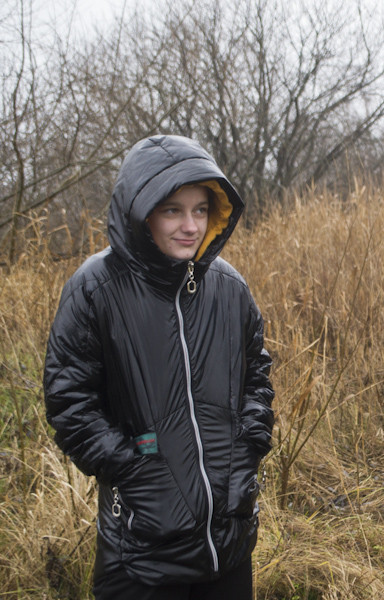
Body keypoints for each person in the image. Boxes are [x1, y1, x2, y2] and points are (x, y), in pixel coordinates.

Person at [43, 135, 275, 599]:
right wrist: (135, 472)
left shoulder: (228, 288)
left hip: (227, 540)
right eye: (172, 210)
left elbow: (257, 376)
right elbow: (69, 402)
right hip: (142, 549)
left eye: (201, 209)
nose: (190, 226)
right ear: (140, 211)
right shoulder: (96, 289)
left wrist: (248, 445)